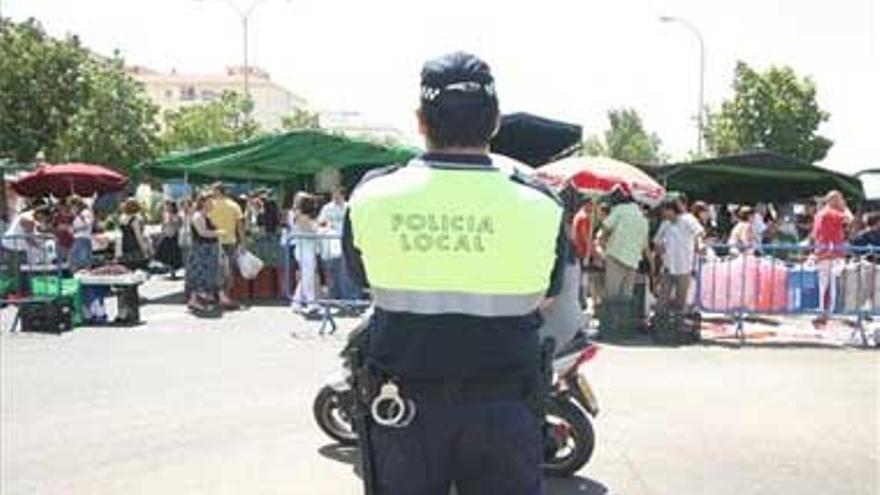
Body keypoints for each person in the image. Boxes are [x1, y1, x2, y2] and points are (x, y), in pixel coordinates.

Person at [342, 52, 565, 495]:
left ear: (421, 120)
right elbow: (549, 297)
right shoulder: (542, 205)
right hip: (505, 409)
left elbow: (364, 280)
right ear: (496, 121)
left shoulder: (372, 196)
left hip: (403, 411)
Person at [653, 199, 705, 313]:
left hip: (684, 266)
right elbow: (657, 240)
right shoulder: (665, 223)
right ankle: (660, 322)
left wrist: (699, 244)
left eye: (665, 211)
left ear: (672, 210)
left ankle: (678, 324)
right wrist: (659, 247)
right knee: (663, 298)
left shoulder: (688, 220)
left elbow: (700, 233)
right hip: (668, 266)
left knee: (680, 300)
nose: (663, 214)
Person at [598, 186, 649, 299]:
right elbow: (644, 244)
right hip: (633, 260)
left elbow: (606, 227)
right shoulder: (643, 218)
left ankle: (611, 316)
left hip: (615, 255)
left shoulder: (620, 209)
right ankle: (624, 316)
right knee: (626, 295)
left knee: (612, 293)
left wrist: (602, 243)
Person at [812, 190, 853, 325]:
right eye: (840, 199)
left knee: (823, 284)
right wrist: (845, 207)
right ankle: (829, 311)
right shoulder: (832, 212)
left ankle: (821, 310)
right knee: (833, 284)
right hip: (832, 252)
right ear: (834, 200)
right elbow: (849, 219)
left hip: (822, 250)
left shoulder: (819, 214)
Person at [208, 183, 244, 309]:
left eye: (213, 190)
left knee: (214, 268)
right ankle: (224, 295)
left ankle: (216, 295)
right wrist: (243, 241)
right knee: (227, 269)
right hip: (229, 241)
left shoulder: (210, 205)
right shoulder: (234, 205)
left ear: (218, 191)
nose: (211, 192)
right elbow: (240, 226)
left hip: (213, 241)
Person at [318, 187, 358, 300]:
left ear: (343, 195)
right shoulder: (327, 208)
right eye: (333, 195)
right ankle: (334, 295)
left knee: (346, 271)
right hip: (331, 243)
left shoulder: (348, 207)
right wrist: (326, 226)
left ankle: (349, 297)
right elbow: (320, 222)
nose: (335, 197)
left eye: (337, 195)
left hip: (346, 242)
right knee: (332, 270)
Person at [186, 194, 221, 312]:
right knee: (200, 275)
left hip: (207, 249)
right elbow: (202, 233)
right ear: (203, 203)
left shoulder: (204, 215)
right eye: (210, 202)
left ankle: (196, 301)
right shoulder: (198, 216)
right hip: (202, 250)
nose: (212, 204)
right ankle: (195, 301)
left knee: (204, 276)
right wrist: (218, 232)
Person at [292, 194, 321, 314]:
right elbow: (308, 231)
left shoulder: (300, 215)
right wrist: (319, 229)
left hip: (306, 249)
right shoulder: (301, 216)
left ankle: (296, 302)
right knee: (308, 277)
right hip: (305, 250)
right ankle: (311, 303)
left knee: (306, 276)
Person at [571, 199, 593, 308]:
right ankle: (580, 302)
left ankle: (578, 301)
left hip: (576, 250)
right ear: (585, 205)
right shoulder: (584, 217)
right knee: (581, 278)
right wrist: (590, 249)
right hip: (581, 251)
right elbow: (584, 236)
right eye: (590, 205)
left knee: (578, 277)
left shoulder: (577, 215)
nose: (592, 208)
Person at [118, 199, 151, 270]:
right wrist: (144, 249)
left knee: (128, 265)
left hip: (125, 244)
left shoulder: (122, 218)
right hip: (134, 245)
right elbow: (138, 236)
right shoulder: (134, 220)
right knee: (138, 266)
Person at [155, 200, 184, 278]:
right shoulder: (165, 215)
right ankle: (170, 270)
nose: (166, 207)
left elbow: (179, 225)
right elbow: (163, 226)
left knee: (173, 254)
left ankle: (173, 271)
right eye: (166, 205)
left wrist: (172, 222)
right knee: (166, 253)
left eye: (168, 205)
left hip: (173, 236)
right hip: (167, 236)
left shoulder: (176, 216)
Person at [70, 196, 94, 270]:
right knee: (75, 260)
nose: (72, 208)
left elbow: (87, 224)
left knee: (81, 261)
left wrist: (75, 229)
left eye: (73, 205)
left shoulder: (84, 213)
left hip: (82, 238)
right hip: (79, 238)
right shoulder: (79, 214)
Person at [52, 201, 75, 266]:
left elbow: (74, 226)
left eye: (61, 206)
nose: (60, 208)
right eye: (58, 207)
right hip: (60, 240)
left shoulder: (72, 215)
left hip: (71, 240)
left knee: (71, 259)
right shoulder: (56, 216)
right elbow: (53, 227)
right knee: (60, 259)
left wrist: (67, 227)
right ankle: (61, 274)